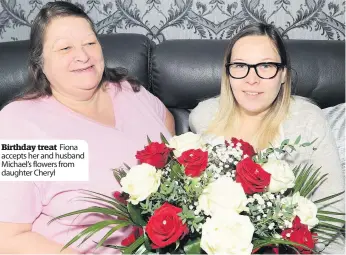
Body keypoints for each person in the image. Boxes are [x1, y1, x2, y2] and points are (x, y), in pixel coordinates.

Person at [0, 1, 174, 254]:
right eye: (65, 48)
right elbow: (8, 238)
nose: (83, 56)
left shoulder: (129, 91)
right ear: (40, 62)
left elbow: (167, 125)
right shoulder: (21, 123)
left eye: (90, 43)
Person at [189, 23, 345, 254]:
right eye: (240, 66)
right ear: (228, 72)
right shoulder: (203, 116)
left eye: (265, 66)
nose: (252, 79)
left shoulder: (306, 119)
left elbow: (334, 206)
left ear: (283, 74)